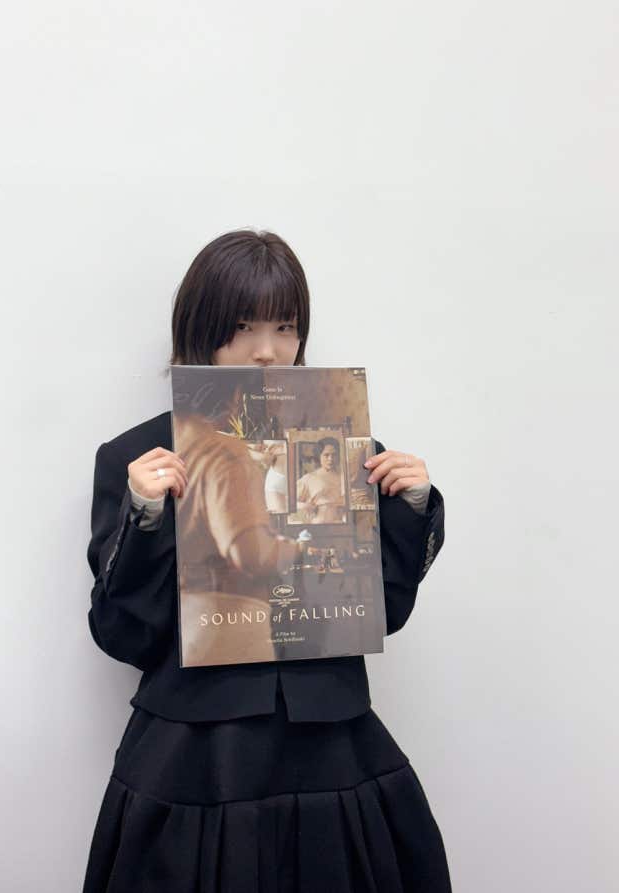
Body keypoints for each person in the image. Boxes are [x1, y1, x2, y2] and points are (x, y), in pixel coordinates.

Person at [82, 229, 452, 892]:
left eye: (286, 327)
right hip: (197, 748)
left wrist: (414, 505)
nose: (267, 350)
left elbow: (383, 612)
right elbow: (123, 636)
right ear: (200, 327)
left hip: (330, 740)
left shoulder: (350, 449)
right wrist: (144, 516)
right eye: (243, 326)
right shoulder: (138, 459)